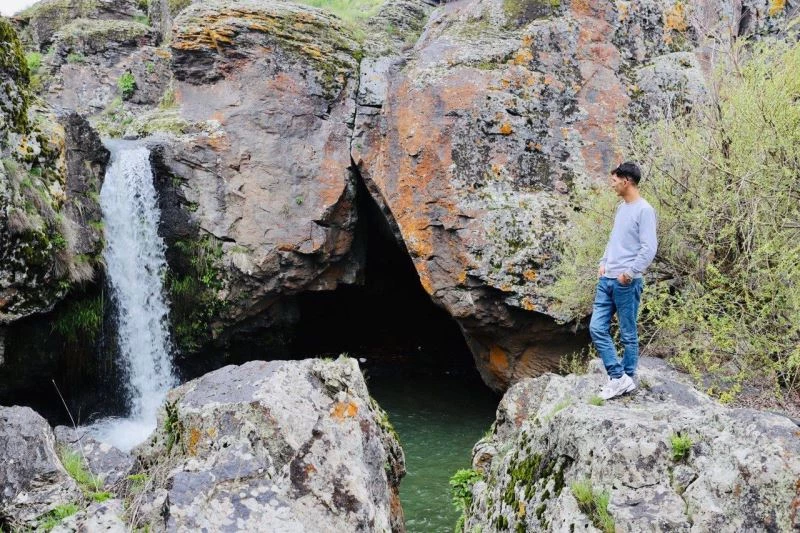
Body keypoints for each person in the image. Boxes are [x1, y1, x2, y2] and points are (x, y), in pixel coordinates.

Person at [591, 162, 657, 400]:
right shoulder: (622, 208)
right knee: (596, 328)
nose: (612, 183)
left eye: (615, 179)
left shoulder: (644, 210)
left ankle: (625, 378)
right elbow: (613, 239)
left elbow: (649, 248)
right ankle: (619, 378)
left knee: (628, 334)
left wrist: (629, 273)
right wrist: (603, 261)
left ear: (627, 180)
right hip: (606, 279)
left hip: (625, 283)